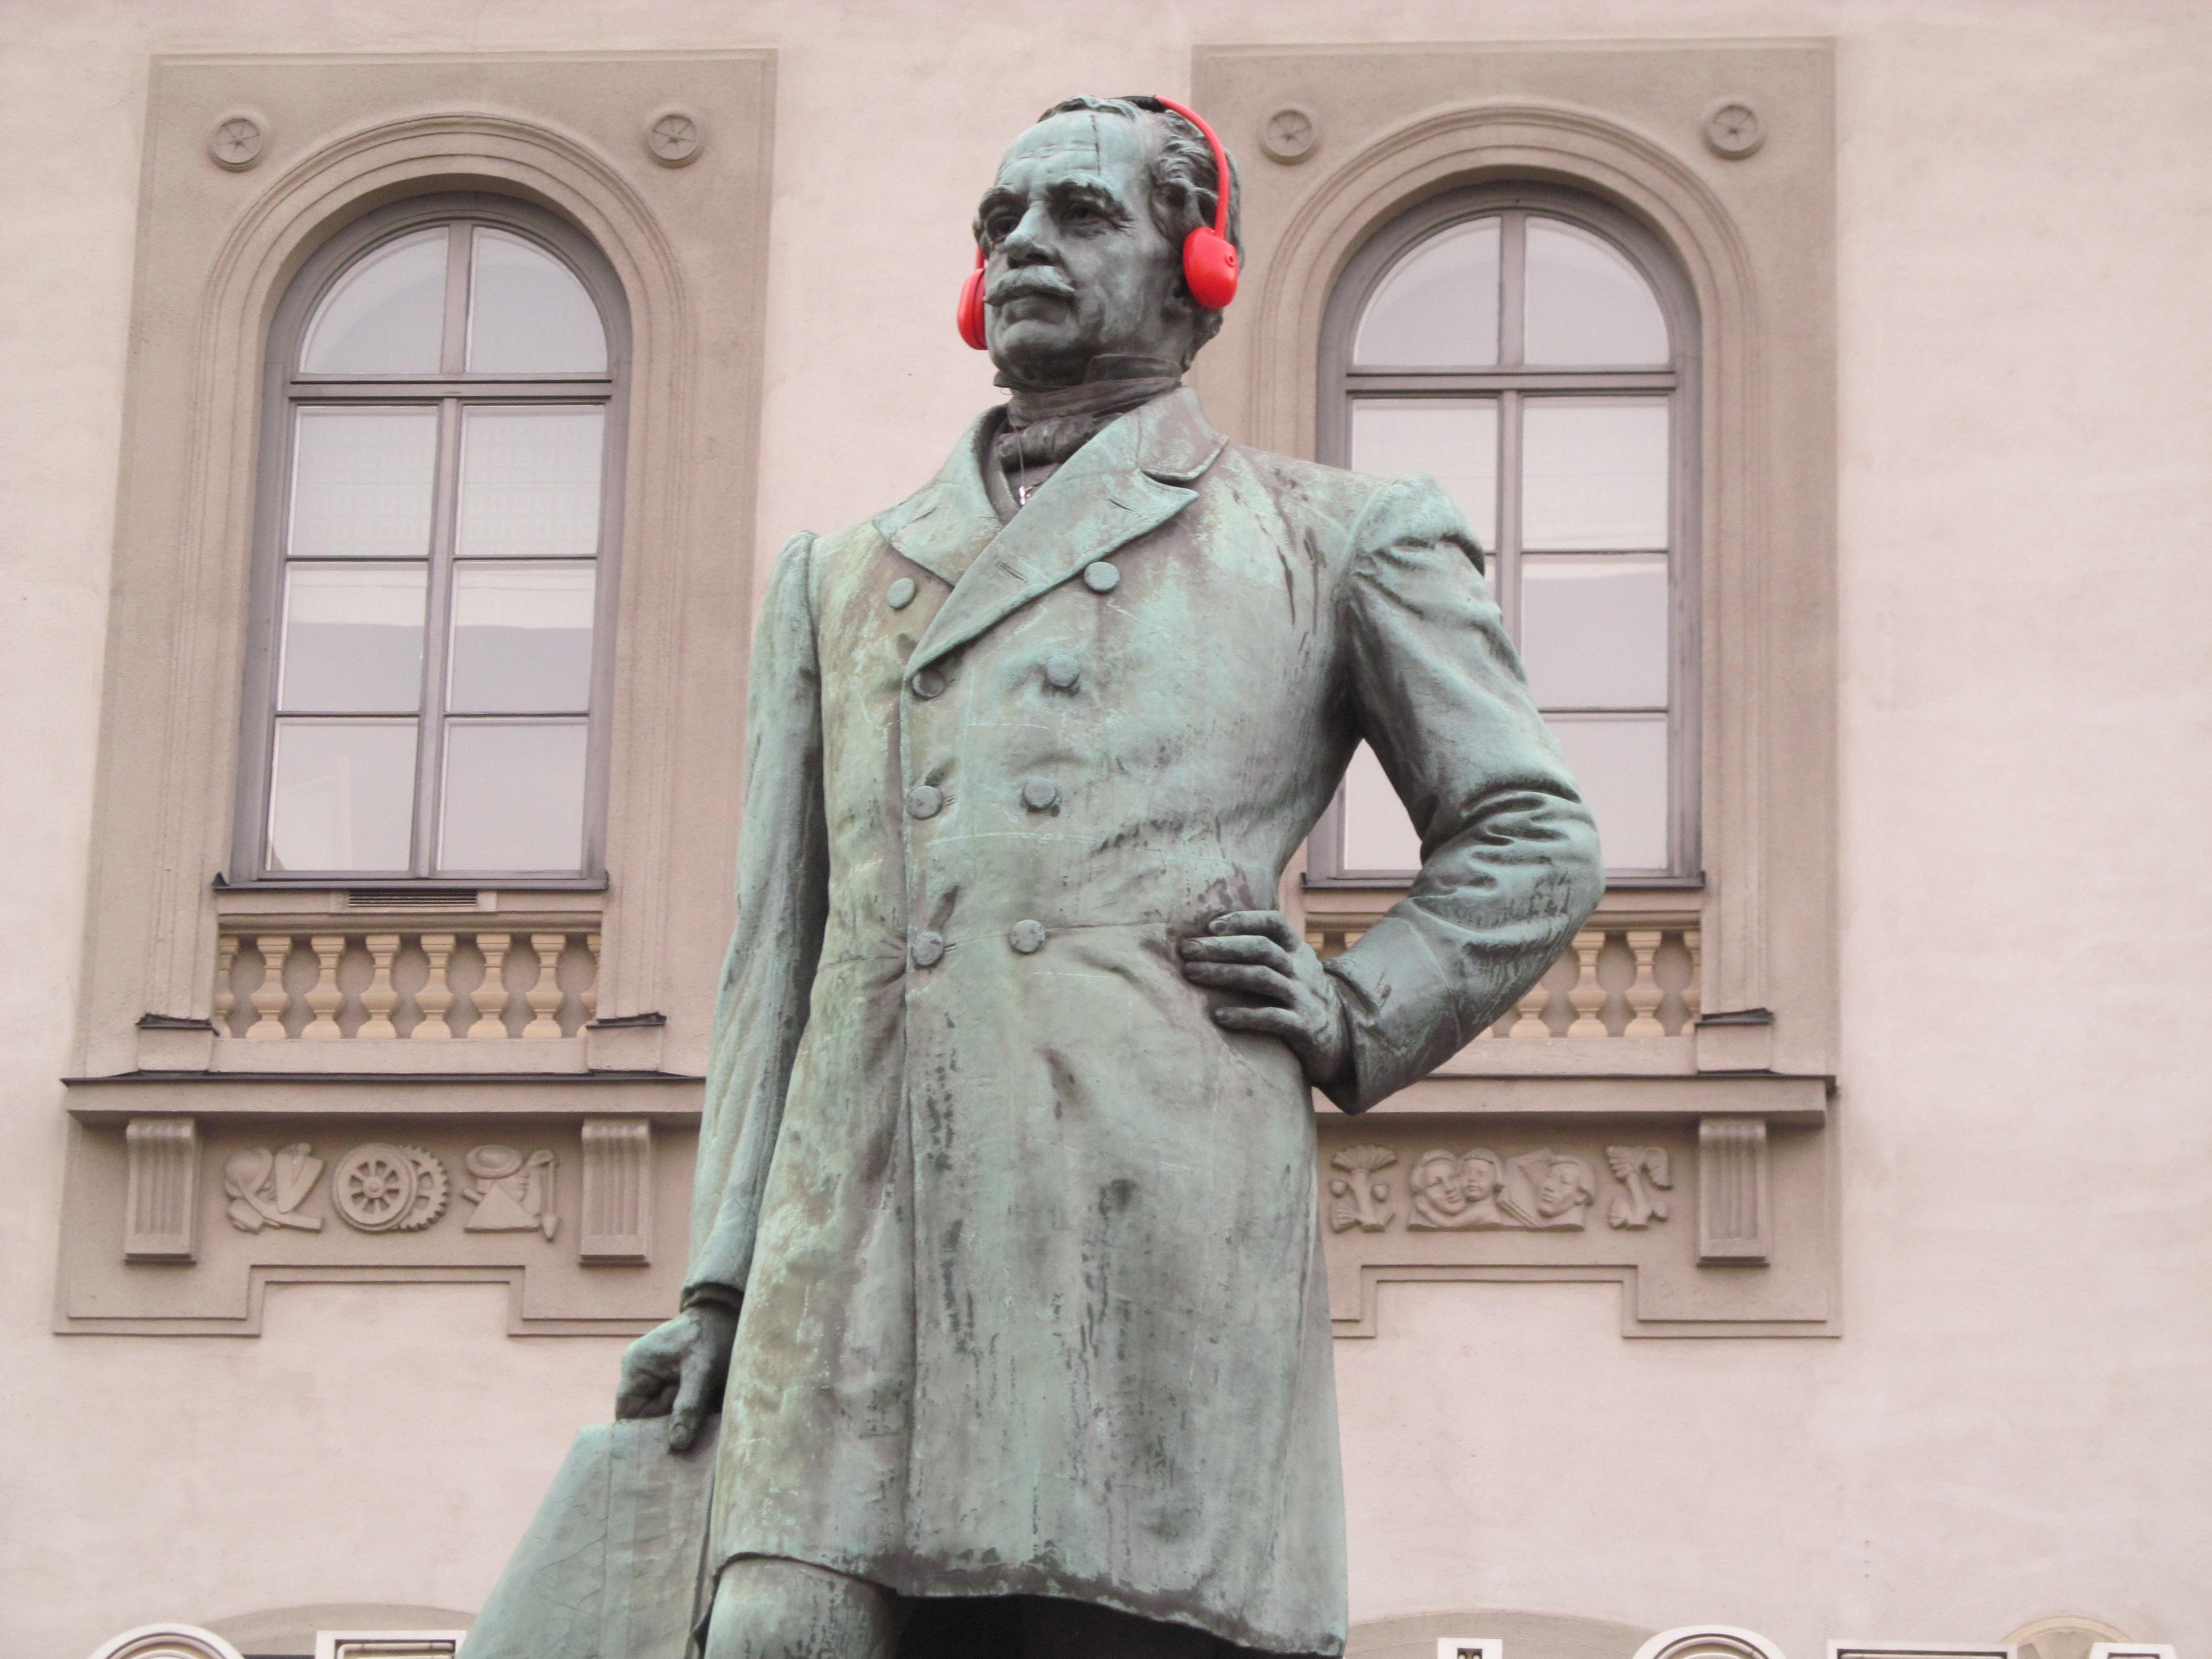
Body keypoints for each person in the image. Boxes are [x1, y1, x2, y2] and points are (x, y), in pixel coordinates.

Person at [613, 94, 1602, 1659]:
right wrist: (720, 1287)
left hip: (1143, 1215)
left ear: (1198, 267)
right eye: (999, 221)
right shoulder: (836, 578)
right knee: (774, 1633)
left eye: (1080, 214)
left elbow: (1533, 836)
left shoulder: (1335, 537)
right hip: (848, 1241)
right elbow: (778, 959)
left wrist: (1355, 1009)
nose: (1025, 244)